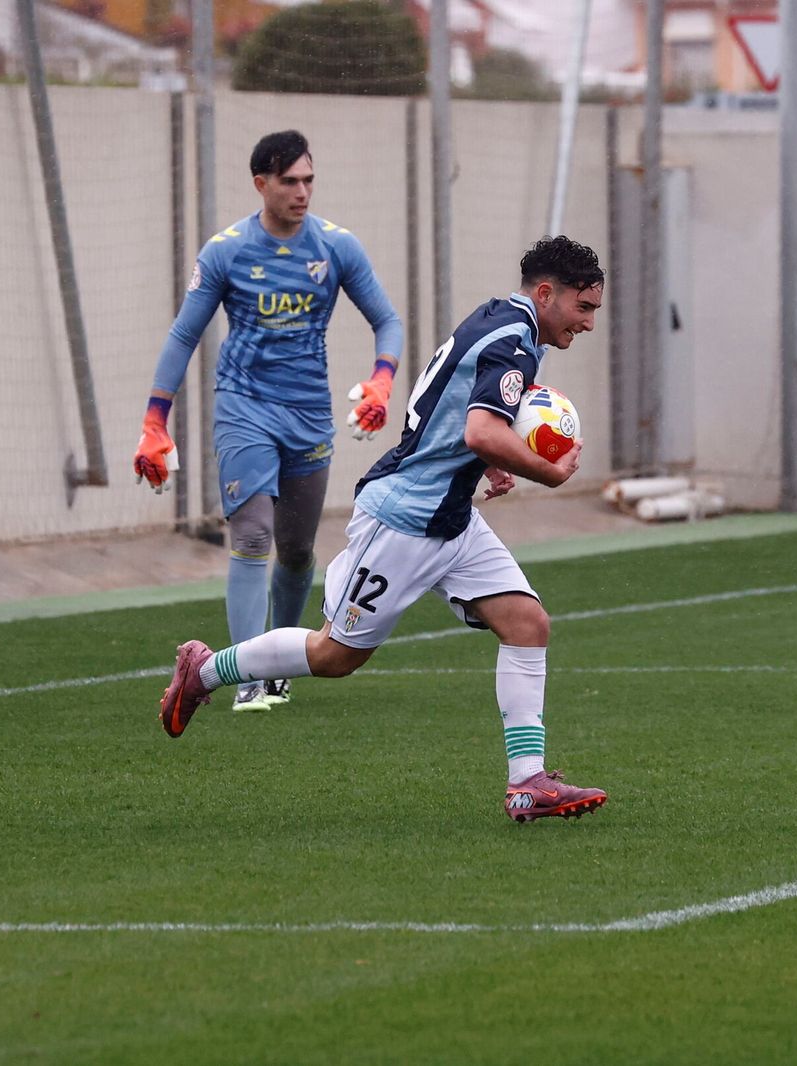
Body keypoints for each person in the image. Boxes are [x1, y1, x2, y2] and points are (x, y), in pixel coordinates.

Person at [157, 235, 607, 823]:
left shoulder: (502, 321)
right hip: (405, 519)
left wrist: (489, 462)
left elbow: (448, 407)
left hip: (449, 517)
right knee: (334, 654)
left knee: (527, 623)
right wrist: (545, 471)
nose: (589, 323)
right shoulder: (513, 338)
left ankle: (527, 784)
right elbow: (477, 429)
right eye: (584, 307)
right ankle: (206, 669)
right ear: (546, 293)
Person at [133, 129, 404, 714]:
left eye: (309, 180)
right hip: (243, 407)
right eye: (290, 181)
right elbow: (184, 335)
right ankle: (247, 677)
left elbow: (388, 320)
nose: (302, 191)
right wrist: (155, 420)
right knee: (253, 535)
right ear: (262, 184)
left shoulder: (337, 247)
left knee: (298, 550)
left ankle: (280, 668)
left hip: (309, 414)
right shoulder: (226, 251)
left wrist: (382, 378)